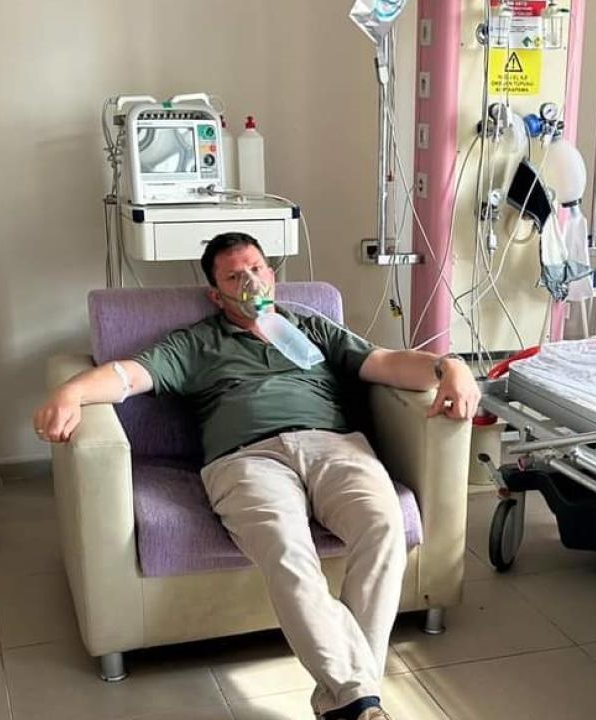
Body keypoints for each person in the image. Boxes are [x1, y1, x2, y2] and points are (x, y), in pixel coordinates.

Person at [33, 232, 481, 720]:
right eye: (234, 276)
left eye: (256, 268)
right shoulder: (197, 342)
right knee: (287, 550)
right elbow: (127, 375)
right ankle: (356, 701)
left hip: (334, 446)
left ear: (271, 274)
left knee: (384, 526)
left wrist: (449, 368)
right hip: (245, 459)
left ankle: (351, 700)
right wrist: (71, 392)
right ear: (216, 294)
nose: (249, 281)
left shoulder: (311, 328)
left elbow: (387, 363)